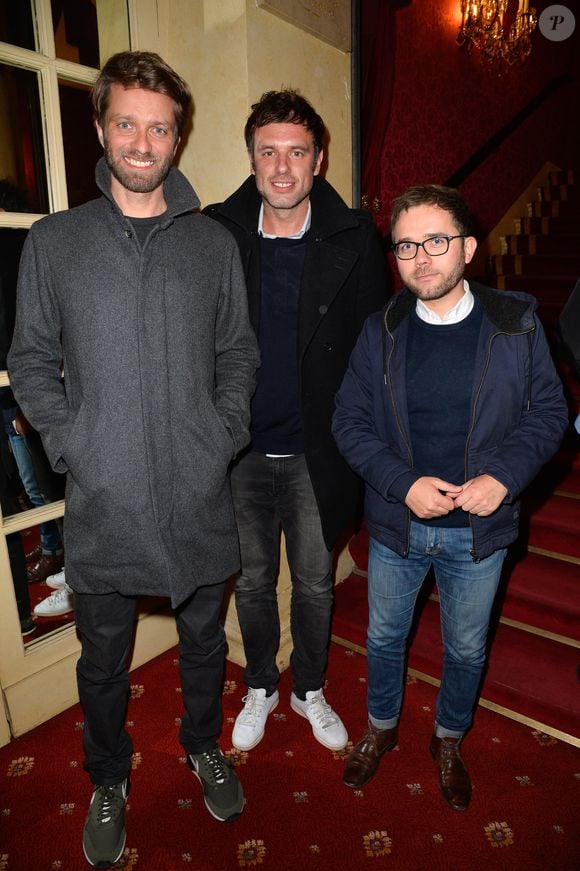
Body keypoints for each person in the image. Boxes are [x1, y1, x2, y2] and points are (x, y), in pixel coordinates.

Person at [8, 51, 260, 867]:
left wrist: (218, 436)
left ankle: (201, 742)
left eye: (160, 127)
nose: (143, 141)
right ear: (101, 128)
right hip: (103, 504)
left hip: (197, 495)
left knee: (202, 644)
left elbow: (238, 356)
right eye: (128, 123)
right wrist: (75, 444)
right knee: (103, 661)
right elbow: (32, 362)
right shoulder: (54, 243)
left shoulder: (213, 244)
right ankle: (108, 776)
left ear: (177, 138)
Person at [332, 184, 568, 810]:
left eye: (436, 241)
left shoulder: (516, 323)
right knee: (384, 639)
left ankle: (449, 738)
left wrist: (504, 478)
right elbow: (348, 421)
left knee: (466, 646)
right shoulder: (379, 329)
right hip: (396, 522)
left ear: (467, 247)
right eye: (406, 245)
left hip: (478, 529)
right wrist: (402, 484)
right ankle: (381, 727)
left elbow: (549, 413)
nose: (421, 258)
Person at [204, 90, 386, 753]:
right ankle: (259, 681)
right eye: (268, 152)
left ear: (320, 159)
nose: (282, 168)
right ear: (252, 160)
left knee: (313, 580)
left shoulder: (354, 236)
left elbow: (372, 350)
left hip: (318, 451)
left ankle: (308, 685)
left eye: (297, 152)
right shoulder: (217, 233)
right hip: (242, 452)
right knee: (251, 580)